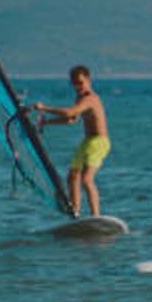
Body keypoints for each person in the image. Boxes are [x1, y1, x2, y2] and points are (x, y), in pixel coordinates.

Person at [35, 65, 111, 217]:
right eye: (75, 84)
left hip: (99, 142)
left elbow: (70, 112)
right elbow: (71, 119)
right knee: (72, 177)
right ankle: (75, 213)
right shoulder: (80, 98)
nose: (78, 86)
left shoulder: (91, 99)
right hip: (87, 142)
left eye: (81, 82)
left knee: (87, 179)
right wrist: (47, 122)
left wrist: (44, 108)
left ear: (89, 80)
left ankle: (96, 216)